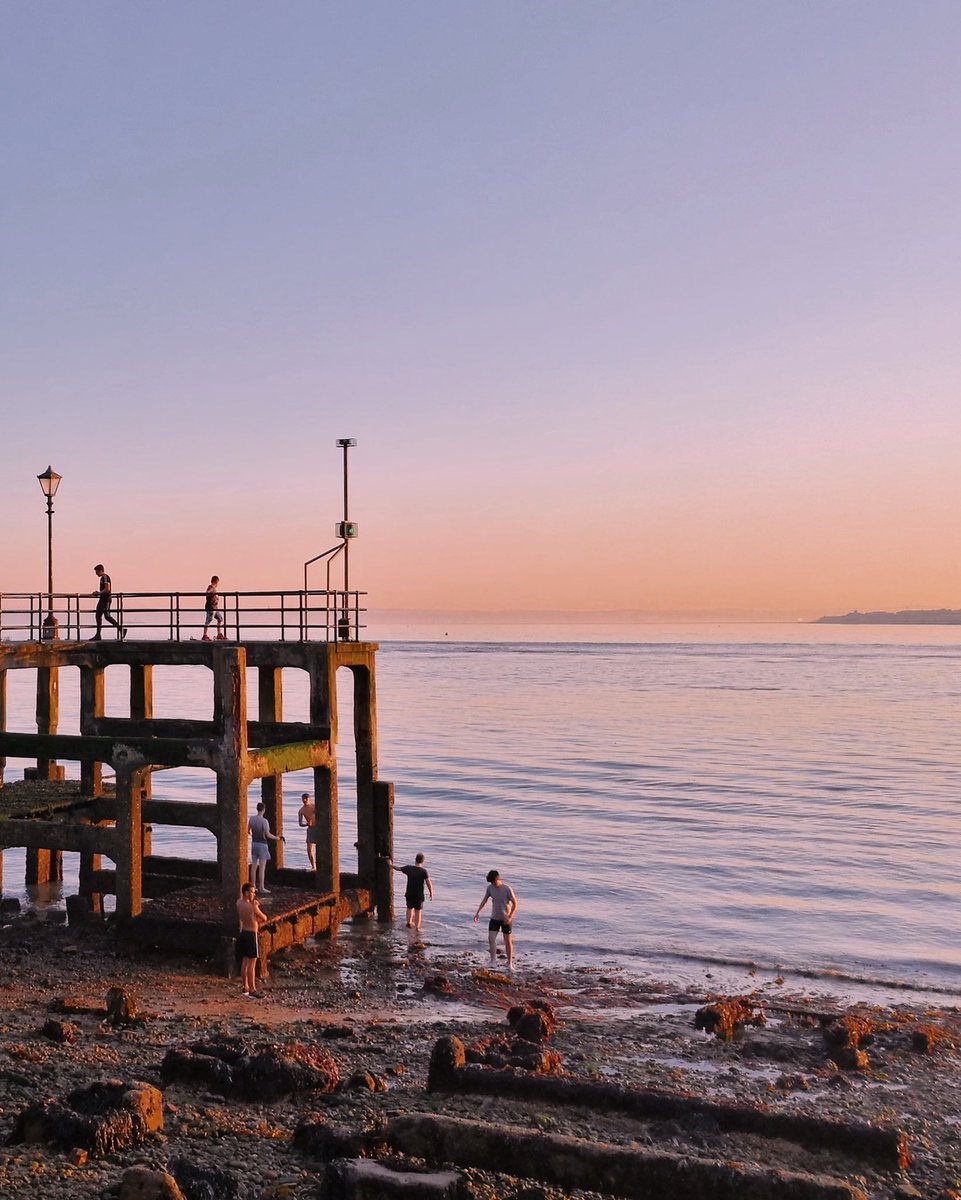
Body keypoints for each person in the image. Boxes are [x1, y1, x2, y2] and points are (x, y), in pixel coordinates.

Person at [473, 869, 518, 971]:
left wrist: (510, 916)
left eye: (494, 882)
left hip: (506, 919)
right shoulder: (490, 888)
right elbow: (484, 900)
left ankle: (510, 963)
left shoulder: (507, 889)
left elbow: (515, 904)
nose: (493, 884)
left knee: (508, 941)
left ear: (498, 879)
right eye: (491, 883)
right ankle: (493, 961)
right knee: (491, 938)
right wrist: (477, 912)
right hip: (494, 918)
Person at [235, 882, 267, 999]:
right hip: (251, 934)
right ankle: (253, 989)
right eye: (252, 892)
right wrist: (256, 907)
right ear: (246, 893)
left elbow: (247, 917)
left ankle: (245, 986)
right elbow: (264, 918)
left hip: (243, 932)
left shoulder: (239, 903)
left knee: (245, 961)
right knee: (252, 964)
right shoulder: (252, 906)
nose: (253, 894)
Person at [388, 853, 433, 930]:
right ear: (423, 862)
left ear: (415, 860)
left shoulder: (409, 868)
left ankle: (409, 923)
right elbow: (428, 883)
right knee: (418, 911)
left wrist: (391, 865)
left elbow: (398, 868)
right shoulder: (424, 871)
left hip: (409, 893)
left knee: (409, 908)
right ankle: (417, 927)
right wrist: (431, 893)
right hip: (419, 895)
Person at [248, 802, 284, 894]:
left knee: (254, 866)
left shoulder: (251, 819)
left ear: (257, 809)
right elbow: (268, 835)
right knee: (262, 867)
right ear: (263, 810)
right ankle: (261, 887)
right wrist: (278, 838)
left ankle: (253, 886)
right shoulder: (264, 821)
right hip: (262, 844)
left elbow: (248, 831)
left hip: (254, 844)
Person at [92, 564, 125, 641]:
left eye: (96, 572)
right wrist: (99, 593)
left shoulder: (105, 577)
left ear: (100, 570)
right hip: (102, 599)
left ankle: (121, 629)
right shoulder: (102, 578)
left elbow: (107, 589)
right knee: (98, 615)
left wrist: (99, 593)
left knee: (107, 616)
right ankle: (98, 634)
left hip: (106, 599)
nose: (96, 573)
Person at [202, 575, 226, 641]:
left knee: (220, 619)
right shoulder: (211, 588)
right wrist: (212, 593)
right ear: (217, 582)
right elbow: (207, 592)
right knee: (208, 620)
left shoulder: (214, 589)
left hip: (215, 608)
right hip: (211, 607)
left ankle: (219, 634)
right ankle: (204, 635)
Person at [297, 792, 317, 870]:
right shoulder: (301, 810)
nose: (304, 800)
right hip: (310, 829)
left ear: (309, 799)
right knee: (309, 850)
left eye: (306, 799)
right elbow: (300, 823)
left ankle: (320, 866)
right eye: (303, 799)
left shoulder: (314, 807)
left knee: (319, 848)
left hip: (318, 828)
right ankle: (313, 866)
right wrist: (306, 824)